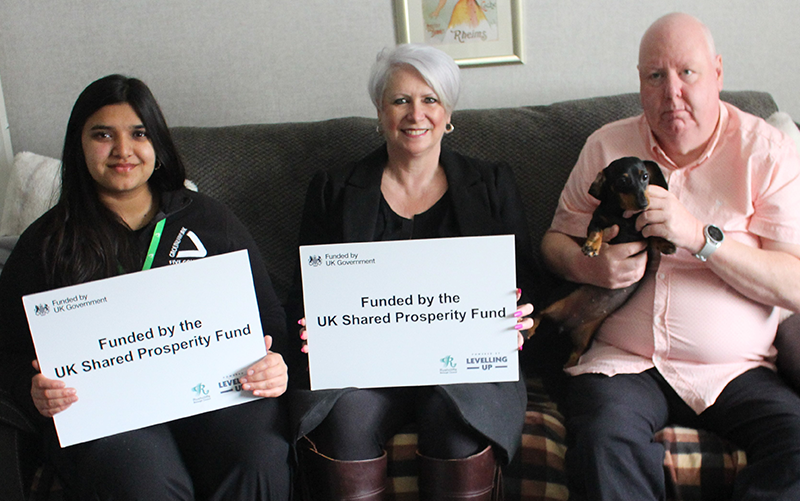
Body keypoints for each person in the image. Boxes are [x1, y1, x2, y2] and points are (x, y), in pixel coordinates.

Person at [540, 13, 800, 501]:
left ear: (718, 73)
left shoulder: (768, 153)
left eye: (687, 73)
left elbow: (796, 284)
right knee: (601, 441)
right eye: (655, 76)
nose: (671, 92)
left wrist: (700, 236)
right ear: (639, 82)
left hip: (736, 369)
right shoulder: (605, 146)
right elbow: (554, 242)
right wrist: (586, 266)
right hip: (624, 362)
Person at [0, 74, 292, 500]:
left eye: (138, 133)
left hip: (213, 396)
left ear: (158, 143)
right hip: (110, 417)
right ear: (78, 145)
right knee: (143, 478)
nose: (123, 150)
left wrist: (275, 365)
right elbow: (5, 351)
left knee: (258, 453)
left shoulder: (211, 221)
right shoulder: (47, 242)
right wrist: (32, 394)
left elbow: (271, 323)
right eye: (103, 135)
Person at [286, 43, 537, 500]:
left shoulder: (492, 182)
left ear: (448, 112)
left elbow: (524, 282)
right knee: (344, 421)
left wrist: (522, 319)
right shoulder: (334, 188)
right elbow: (307, 290)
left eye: (430, 99)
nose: (415, 113)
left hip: (463, 367)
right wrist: (312, 325)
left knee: (458, 418)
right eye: (401, 100)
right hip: (363, 369)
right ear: (380, 111)